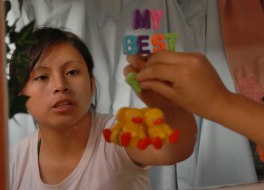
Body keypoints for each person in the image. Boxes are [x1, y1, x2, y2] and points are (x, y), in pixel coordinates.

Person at [9, 28, 197, 190]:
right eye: (42, 77)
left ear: (91, 85)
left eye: (72, 72)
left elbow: (176, 148)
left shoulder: (118, 133)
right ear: (20, 95)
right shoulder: (13, 162)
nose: (60, 85)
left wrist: (167, 105)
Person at [124, 50, 264, 171]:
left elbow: (173, 151)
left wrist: (218, 103)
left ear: (94, 83)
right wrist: (220, 103)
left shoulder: (113, 131)